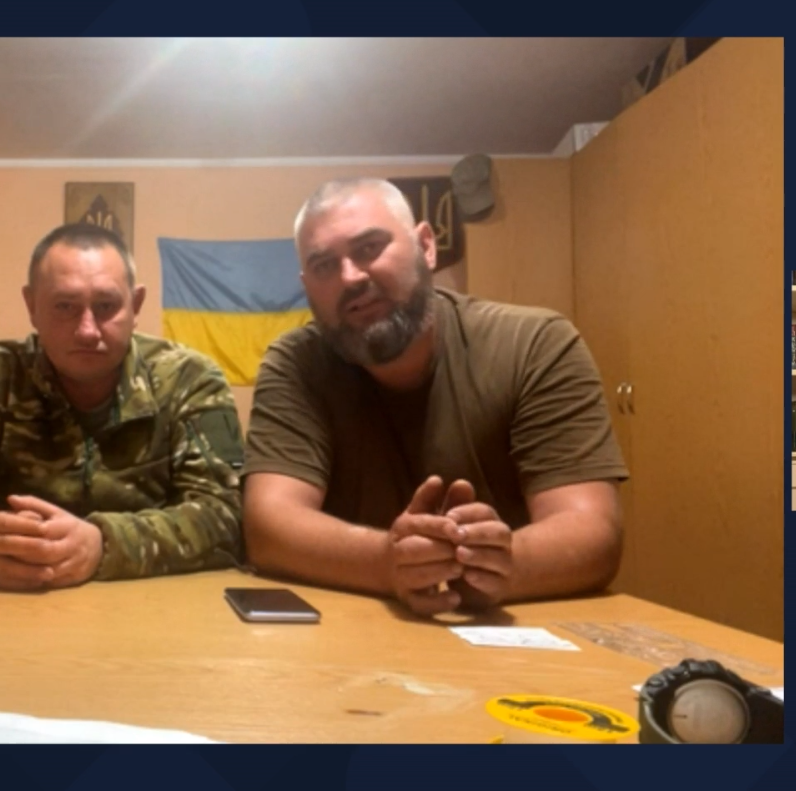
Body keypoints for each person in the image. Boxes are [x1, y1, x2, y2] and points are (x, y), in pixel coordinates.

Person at [242, 178, 629, 616]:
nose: (350, 277)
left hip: (509, 630)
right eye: (324, 266)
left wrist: (499, 564)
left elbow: (593, 531)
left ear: (426, 246)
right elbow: (268, 526)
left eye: (369, 248)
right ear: (306, 285)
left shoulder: (535, 345)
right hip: (353, 629)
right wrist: (389, 563)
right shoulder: (294, 364)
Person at [0, 223, 244, 589]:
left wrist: (105, 545)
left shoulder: (189, 379)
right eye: (64, 307)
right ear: (31, 306)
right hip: (12, 603)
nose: (87, 330)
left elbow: (226, 515)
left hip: (150, 607)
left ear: (136, 305)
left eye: (106, 306)